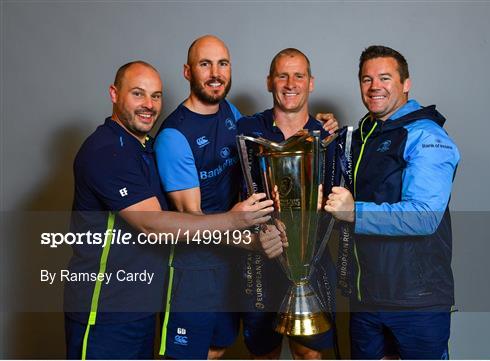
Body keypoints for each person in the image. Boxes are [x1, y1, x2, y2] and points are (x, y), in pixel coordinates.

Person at [65, 60, 277, 360]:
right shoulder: (105, 151)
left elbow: (184, 225)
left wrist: (318, 128)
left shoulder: (146, 147)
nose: (149, 105)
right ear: (114, 93)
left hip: (142, 306)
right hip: (104, 311)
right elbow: (153, 225)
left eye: (156, 96)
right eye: (138, 94)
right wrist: (235, 220)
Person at [154, 36, 337, 359]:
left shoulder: (233, 115)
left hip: (272, 264)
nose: (215, 73)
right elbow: (190, 219)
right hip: (202, 266)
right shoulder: (176, 136)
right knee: (214, 351)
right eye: (204, 64)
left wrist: (319, 124)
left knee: (226, 345)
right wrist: (251, 240)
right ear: (187, 71)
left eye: (222, 63)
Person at [325, 45, 460, 359]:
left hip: (416, 302)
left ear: (406, 83)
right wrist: (323, 130)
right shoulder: (366, 134)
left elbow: (424, 215)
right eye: (366, 79)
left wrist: (352, 212)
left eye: (385, 78)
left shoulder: (426, 136)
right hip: (367, 298)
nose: (375, 87)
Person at [236, 48, 337, 360]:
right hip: (261, 260)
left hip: (312, 263)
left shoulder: (327, 136)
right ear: (269, 81)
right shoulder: (245, 129)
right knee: (263, 354)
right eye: (282, 75)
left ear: (311, 83)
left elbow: (341, 201)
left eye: (299, 76)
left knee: (309, 353)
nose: (290, 83)